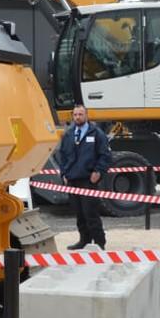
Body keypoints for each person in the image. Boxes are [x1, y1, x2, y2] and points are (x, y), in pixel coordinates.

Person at [54, 104, 111, 250]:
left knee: (90, 212)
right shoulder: (68, 134)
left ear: (86, 115)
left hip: (88, 179)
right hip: (72, 179)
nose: (78, 117)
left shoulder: (96, 133)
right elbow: (62, 155)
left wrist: (98, 172)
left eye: (80, 114)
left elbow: (105, 155)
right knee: (79, 213)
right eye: (75, 115)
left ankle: (99, 242)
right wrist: (64, 173)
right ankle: (84, 240)